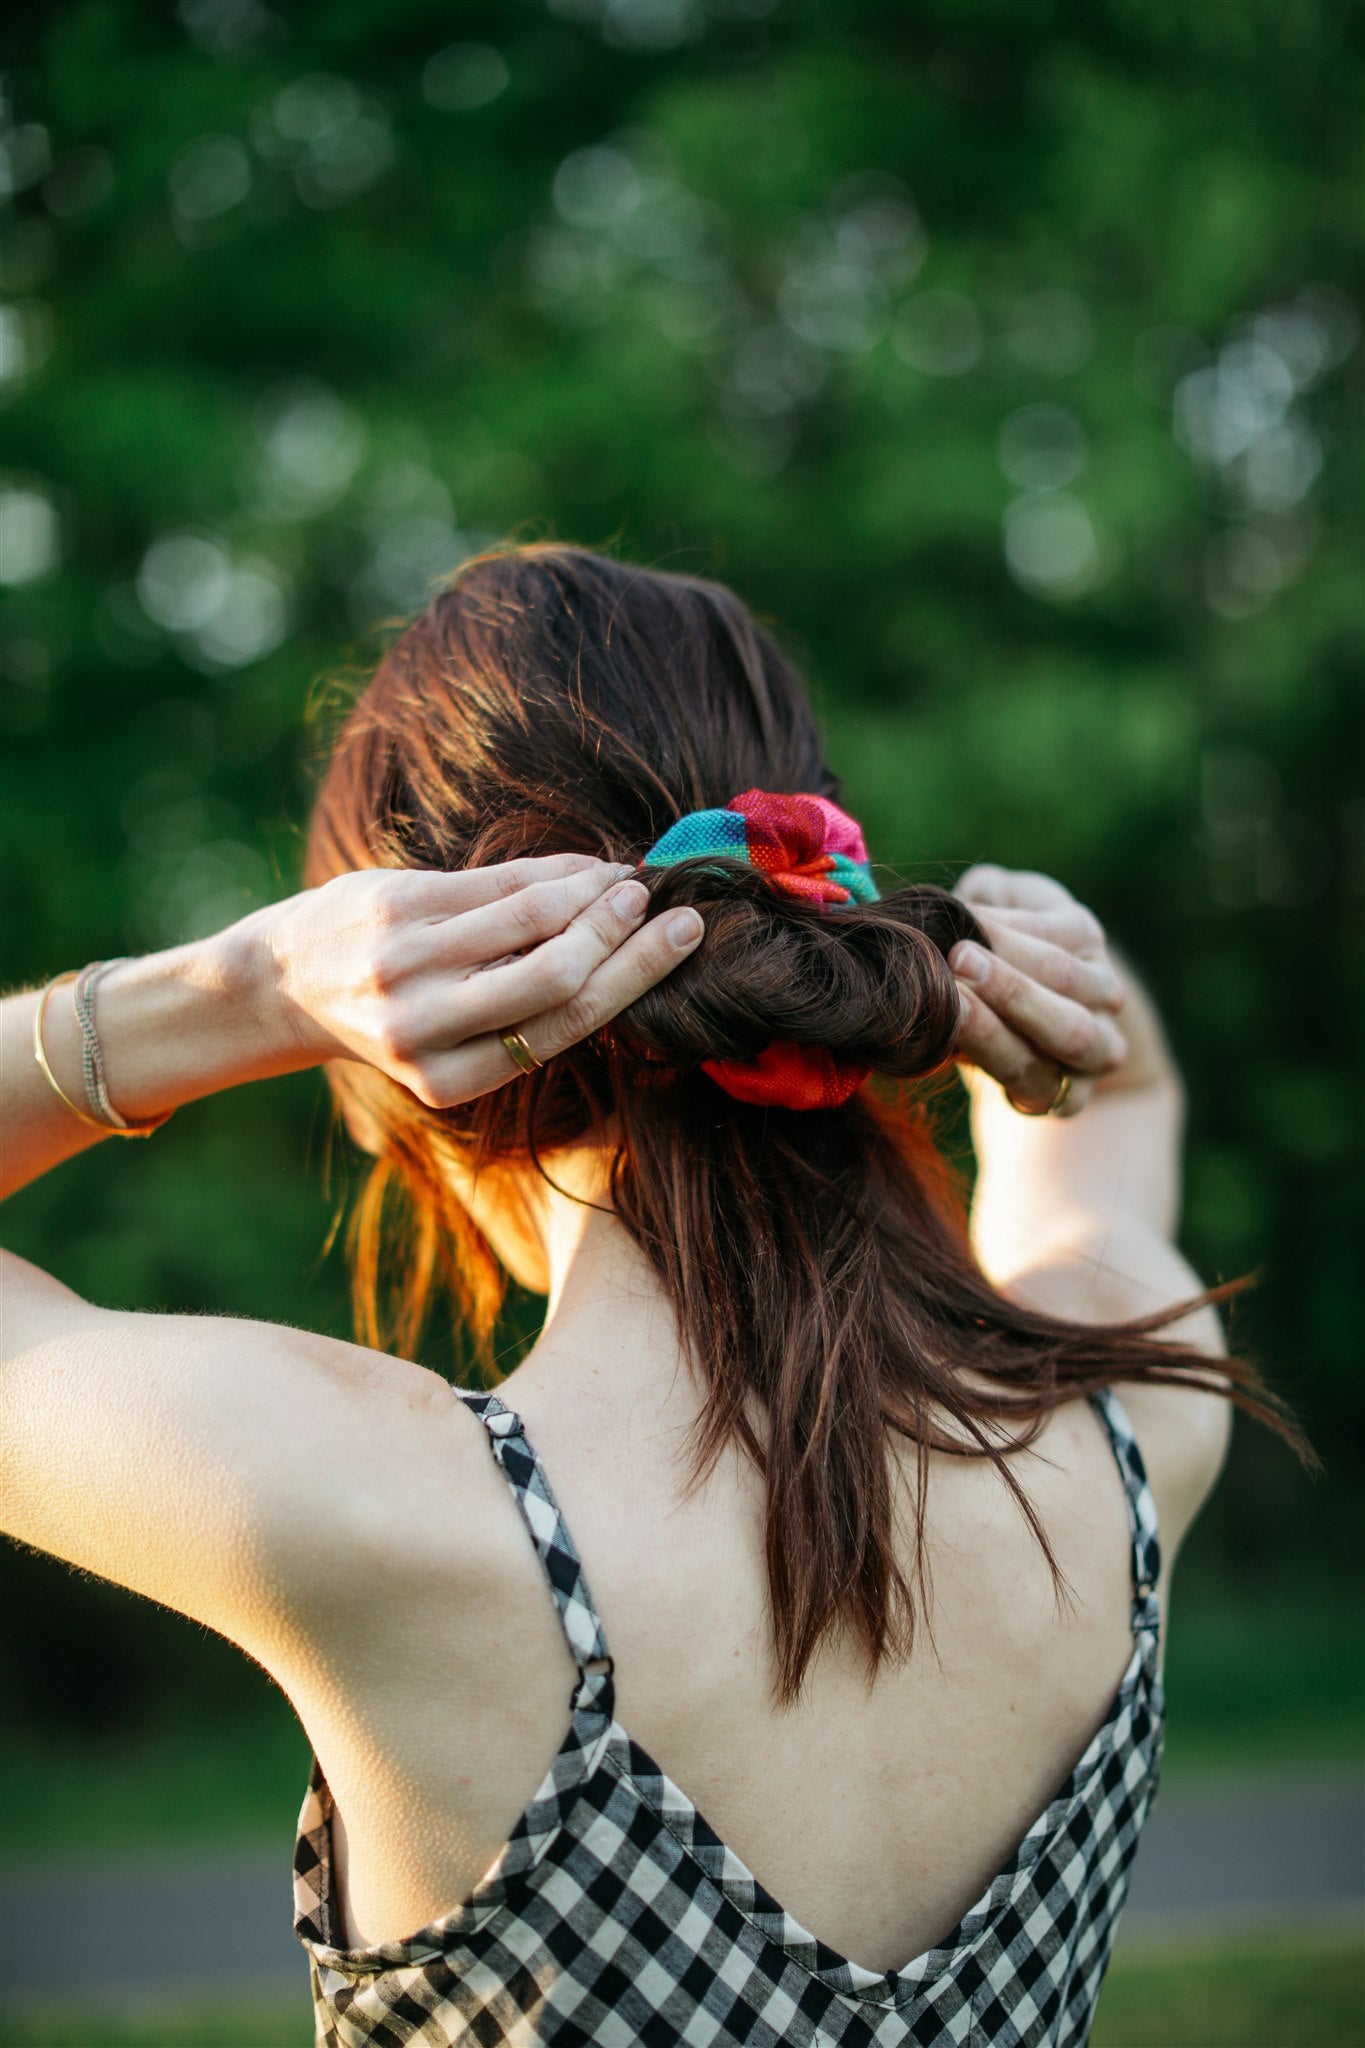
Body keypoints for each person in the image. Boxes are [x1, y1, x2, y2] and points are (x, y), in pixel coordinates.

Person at [1, 545, 1304, 2046]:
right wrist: (1028, 965)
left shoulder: (365, 1506)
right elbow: (1113, 1084)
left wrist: (229, 998)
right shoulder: (1127, 1423)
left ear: (388, 1040)